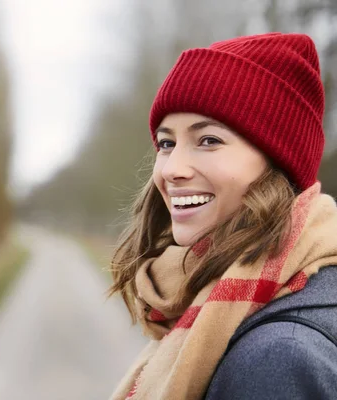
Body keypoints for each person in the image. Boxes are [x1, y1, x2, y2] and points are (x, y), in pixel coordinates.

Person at [107, 32, 337, 400]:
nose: (171, 169)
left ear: (276, 165)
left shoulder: (278, 361)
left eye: (208, 140)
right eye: (167, 143)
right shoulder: (220, 316)